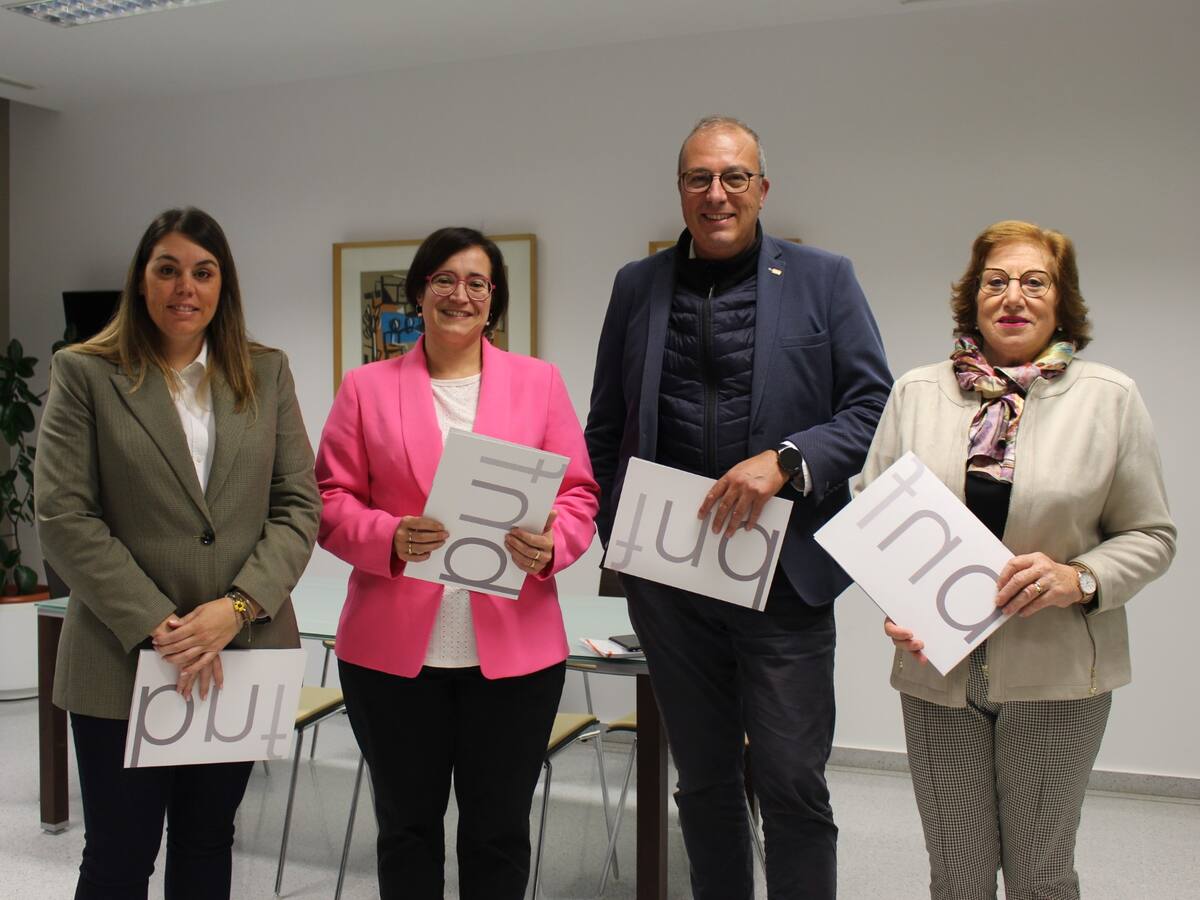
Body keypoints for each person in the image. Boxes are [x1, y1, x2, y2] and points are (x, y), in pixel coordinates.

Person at [584, 115, 892, 899]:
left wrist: (787, 461)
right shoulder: (636, 286)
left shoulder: (824, 278)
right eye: (699, 178)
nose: (716, 194)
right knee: (703, 782)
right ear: (680, 189)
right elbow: (606, 427)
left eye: (734, 177)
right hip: (669, 584)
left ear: (762, 188)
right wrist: (616, 535)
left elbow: (871, 407)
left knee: (791, 782)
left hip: (784, 582)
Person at [860, 220, 1176, 900]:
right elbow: (874, 516)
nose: (1013, 297)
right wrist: (894, 601)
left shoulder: (1109, 398)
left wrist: (1078, 577)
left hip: (1057, 676)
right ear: (972, 297)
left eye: (1035, 282)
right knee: (957, 874)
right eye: (995, 281)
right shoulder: (916, 393)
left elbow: (1151, 535)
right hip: (937, 674)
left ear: (1062, 301)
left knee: (1041, 875)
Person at [35, 206, 320, 899]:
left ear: (224, 285)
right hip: (121, 655)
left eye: (203, 271)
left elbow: (297, 506)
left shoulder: (266, 372)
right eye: (167, 270)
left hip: (240, 652)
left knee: (207, 842)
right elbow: (65, 515)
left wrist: (237, 608)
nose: (184, 287)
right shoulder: (86, 372)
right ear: (142, 280)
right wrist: (161, 626)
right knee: (119, 856)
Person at [315, 227, 599, 900]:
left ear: (493, 299)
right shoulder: (366, 388)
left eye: (476, 282)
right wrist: (387, 535)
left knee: (498, 833)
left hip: (515, 654)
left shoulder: (539, 383)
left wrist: (554, 542)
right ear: (419, 292)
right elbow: (328, 499)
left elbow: (579, 495)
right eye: (443, 279)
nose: (459, 294)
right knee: (406, 830)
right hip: (391, 657)